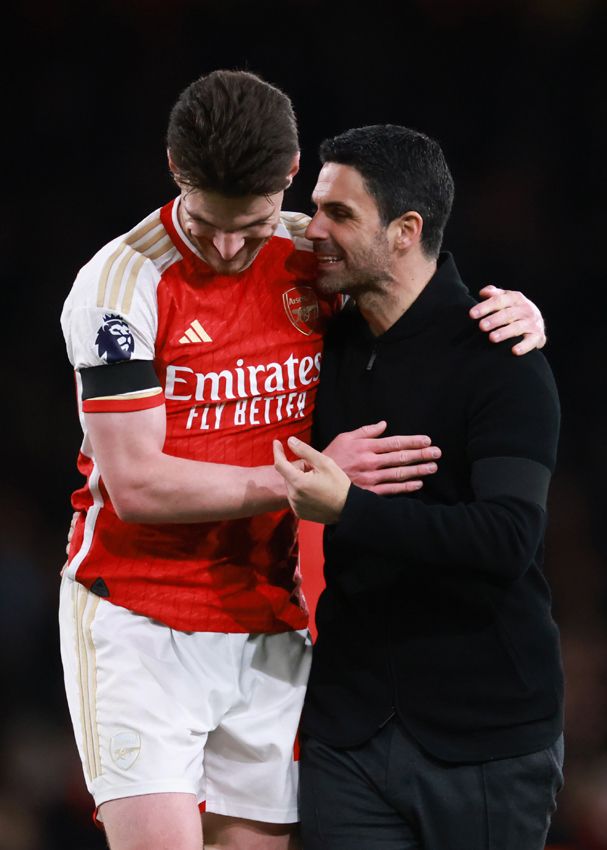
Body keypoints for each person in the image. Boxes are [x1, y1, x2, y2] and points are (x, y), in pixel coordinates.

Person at [59, 70, 547, 850]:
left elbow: (409, 286)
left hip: (265, 618)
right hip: (138, 616)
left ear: (288, 178)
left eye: (249, 226)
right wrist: (308, 482)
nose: (226, 248)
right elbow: (137, 484)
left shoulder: (307, 254)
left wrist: (510, 310)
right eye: (208, 221)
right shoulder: (119, 285)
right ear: (173, 169)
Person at [274, 125, 563, 850]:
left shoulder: (502, 356)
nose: (315, 230)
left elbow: (506, 538)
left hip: (487, 738)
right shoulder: (324, 342)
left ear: (405, 231)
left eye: (340, 215)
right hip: (349, 732)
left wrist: (350, 510)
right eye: (316, 207)